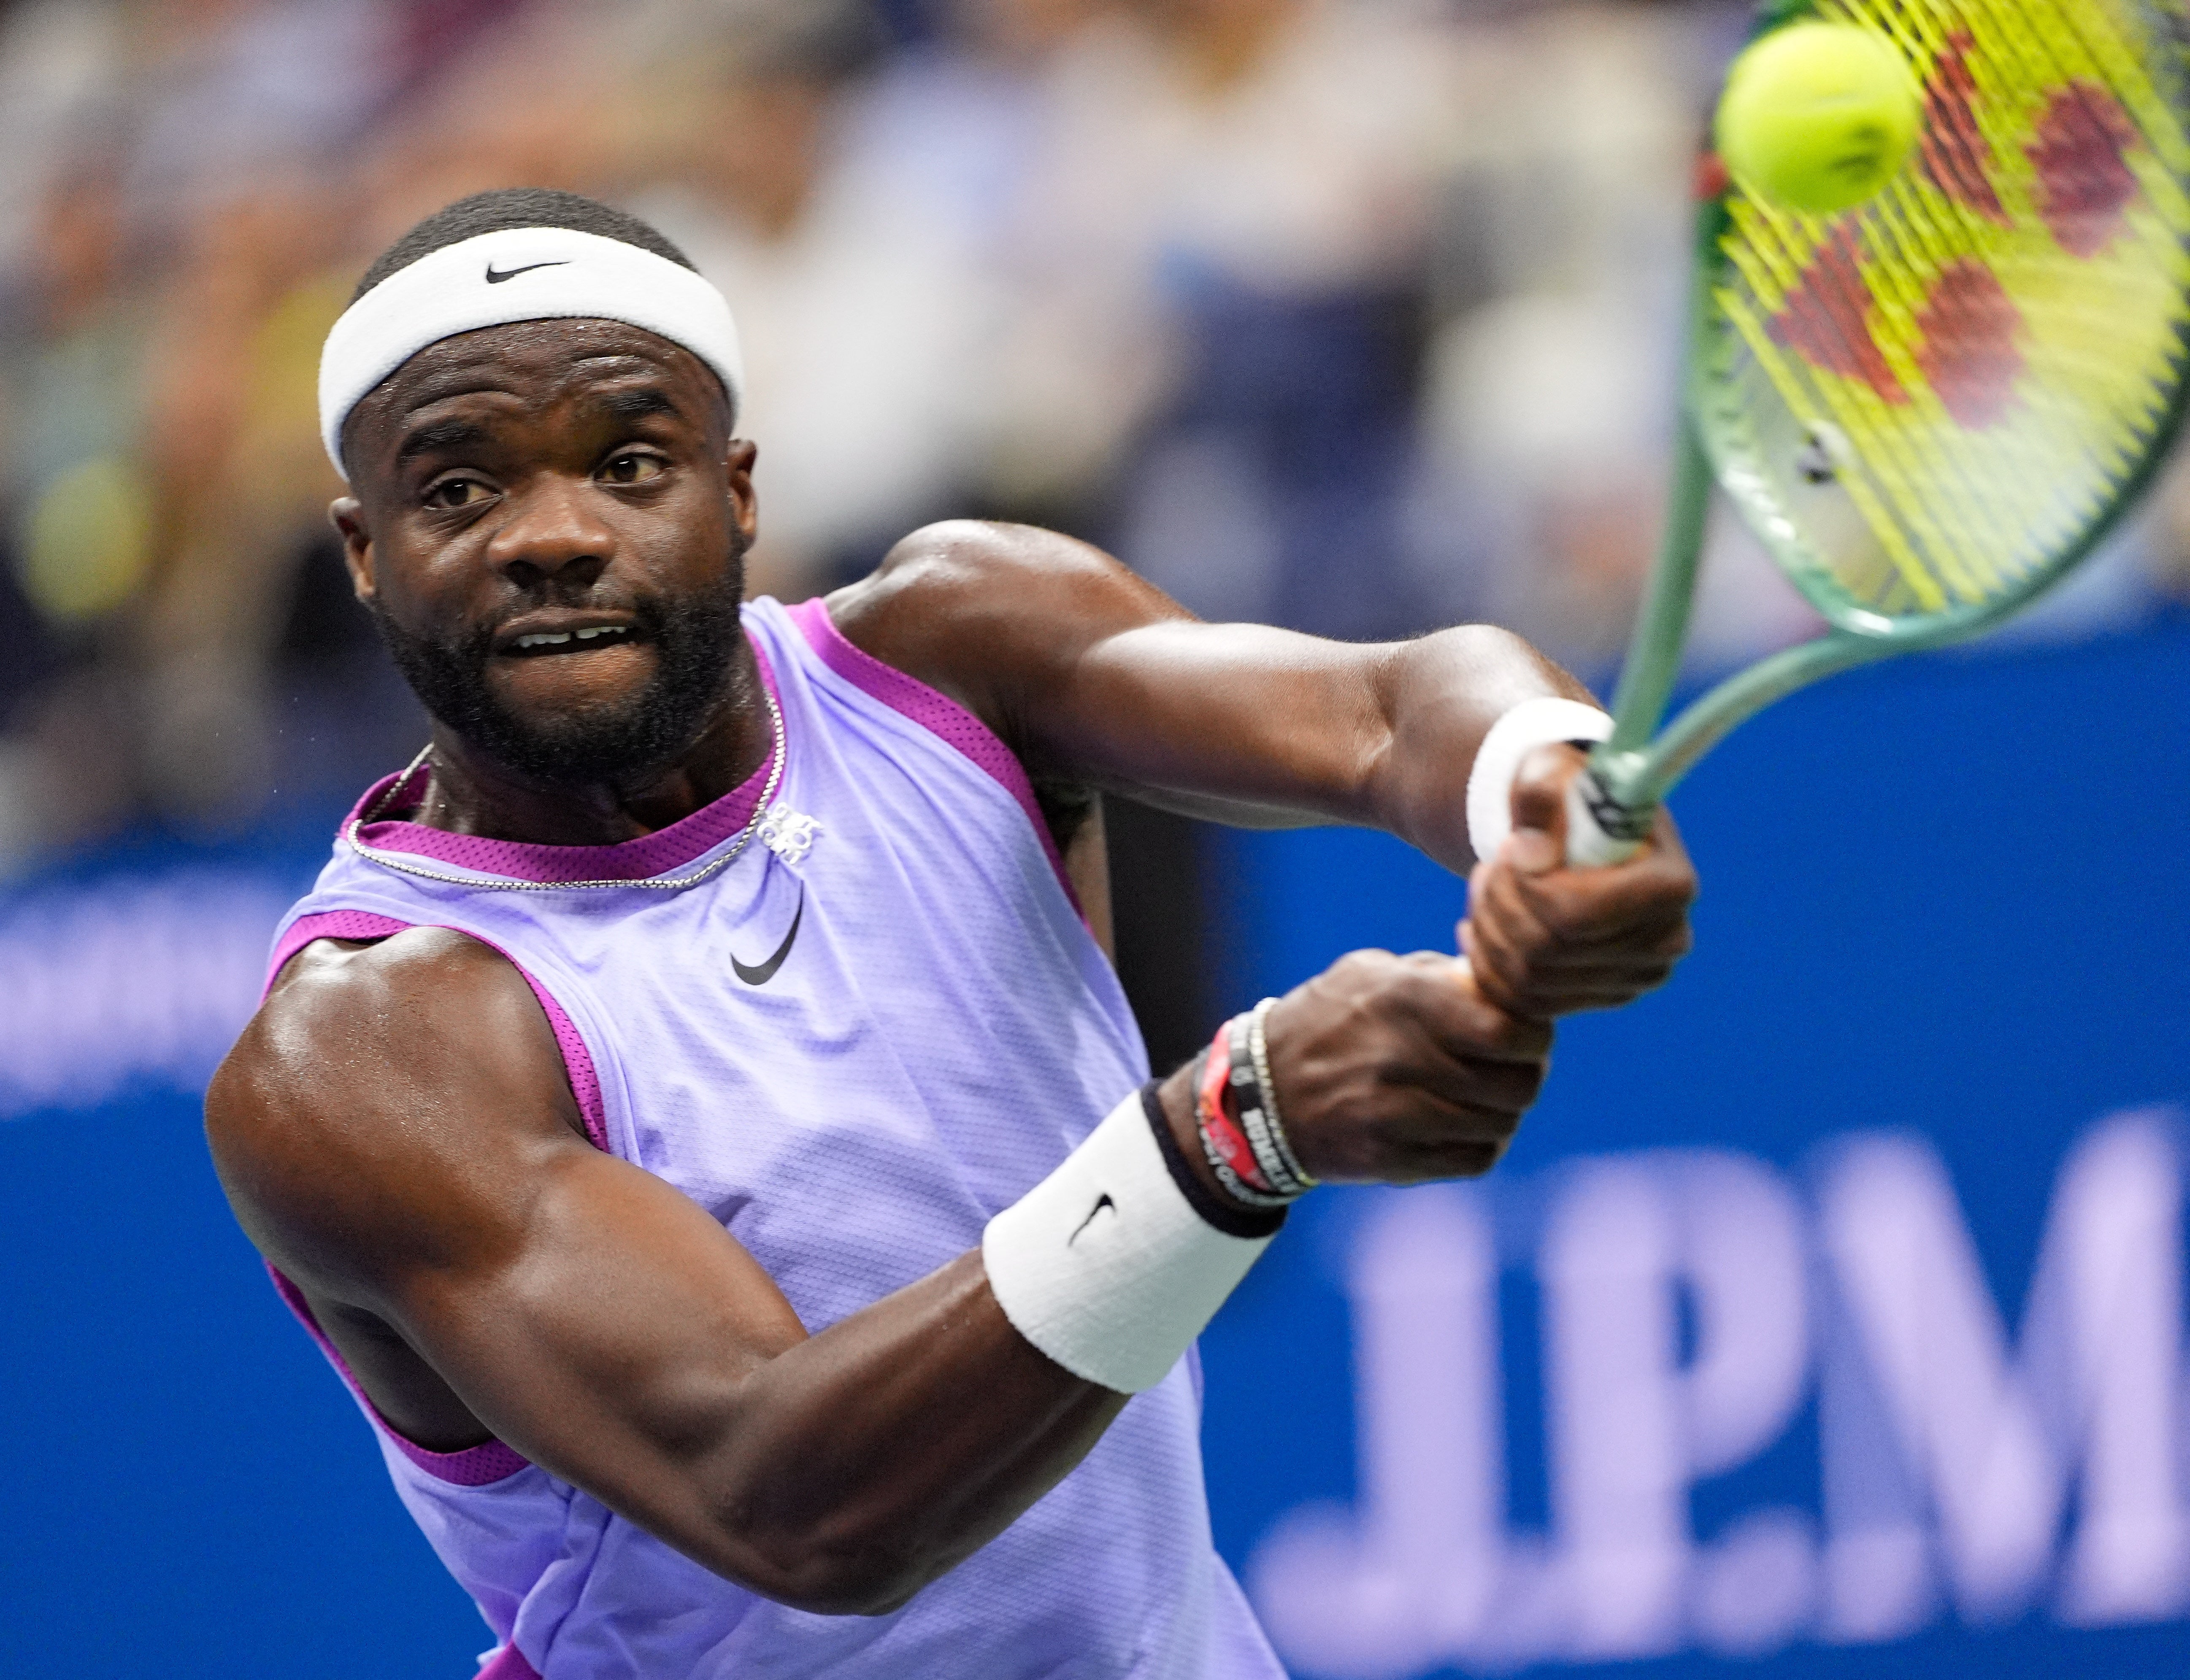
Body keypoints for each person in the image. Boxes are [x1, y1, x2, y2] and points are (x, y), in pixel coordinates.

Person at [205, 187, 1696, 1679]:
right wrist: (1234, 1130)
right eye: (459, 491)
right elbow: (796, 1501)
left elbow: (1387, 710)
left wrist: (1536, 785)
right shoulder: (363, 1050)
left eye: (631, 462)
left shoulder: (958, 646)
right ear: (362, 547)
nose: (554, 535)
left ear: (737, 493)